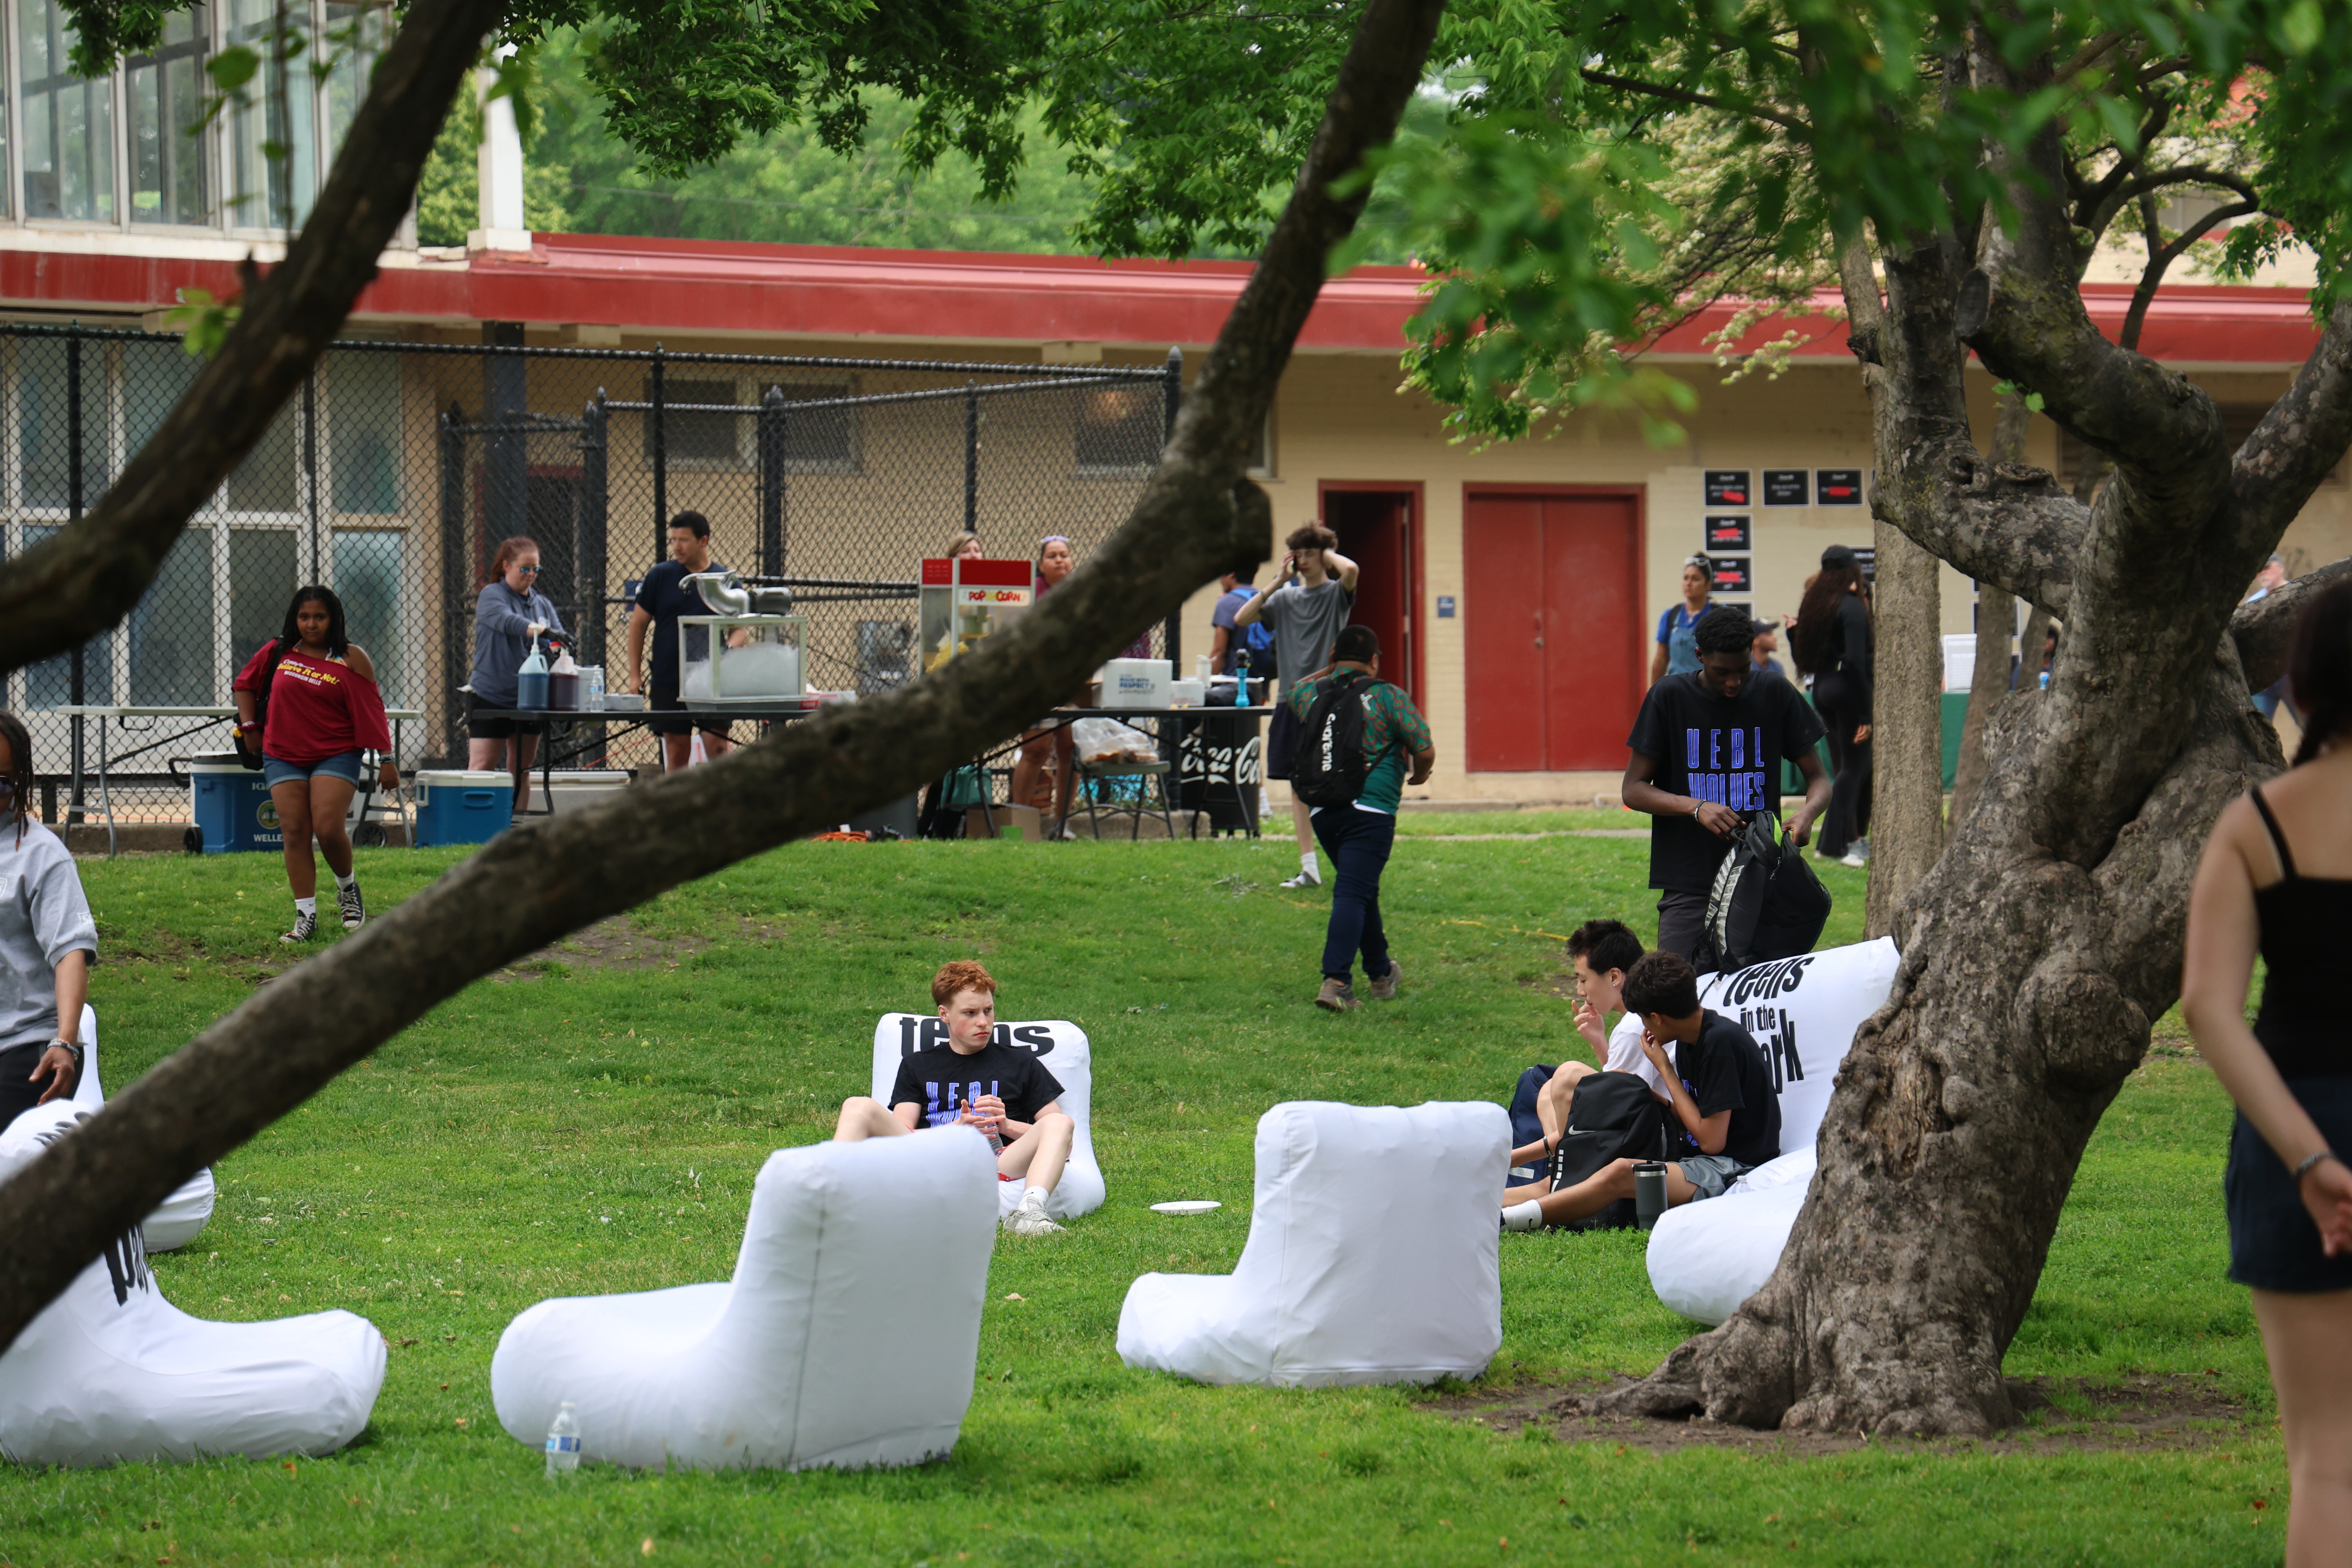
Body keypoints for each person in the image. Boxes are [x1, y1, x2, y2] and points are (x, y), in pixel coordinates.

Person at [2182, 575, 2352, 1566]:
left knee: (2327, 1463)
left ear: (2302, 680)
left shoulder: (2257, 820)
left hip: (2298, 1139)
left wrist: (2311, 1160)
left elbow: (2210, 1007)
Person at [1503, 951, 1780, 1229]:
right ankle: (1477, 1205)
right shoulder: (1690, 1037)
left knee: (1622, 1172)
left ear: (1657, 1018)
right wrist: (1650, 1095)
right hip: (1694, 1157)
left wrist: (1665, 1071)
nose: (1644, 1028)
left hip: (1731, 1167)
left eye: (1644, 1020)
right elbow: (1693, 1121)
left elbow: (1712, 1142)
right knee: (1579, 1173)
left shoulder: (1719, 1044)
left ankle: (1510, 1221)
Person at [1624, 605, 1829, 969]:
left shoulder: (1774, 692)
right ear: (1700, 656)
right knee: (1677, 994)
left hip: (1759, 878)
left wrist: (1808, 814)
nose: (1734, 682)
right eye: (1722, 673)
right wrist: (1697, 807)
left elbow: (1819, 780)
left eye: (1742, 670)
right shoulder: (1669, 697)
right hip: (1690, 882)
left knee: (1759, 997)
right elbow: (1634, 789)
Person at [833, 960, 1078, 1237]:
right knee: (857, 1106)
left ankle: (1029, 1213)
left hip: (999, 1159)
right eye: (970, 1013)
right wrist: (955, 1130)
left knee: (1061, 1122)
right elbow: (901, 1137)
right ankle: (830, 1203)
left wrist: (1006, 1125)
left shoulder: (1020, 1062)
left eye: (988, 1010)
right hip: (933, 1156)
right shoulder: (918, 1065)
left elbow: (1062, 1141)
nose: (983, 1022)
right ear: (945, 1014)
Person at [232, 587, 397, 943]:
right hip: (282, 753)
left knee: (326, 828)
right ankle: (305, 916)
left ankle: (347, 888)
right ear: (295, 618)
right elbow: (244, 686)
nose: (311, 624)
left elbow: (373, 710)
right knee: (293, 830)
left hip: (336, 752)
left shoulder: (351, 658)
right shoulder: (279, 652)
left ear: (333, 619)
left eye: (319, 617)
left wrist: (387, 760)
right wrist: (249, 729)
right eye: (304, 617)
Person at [1285, 624, 1432, 1011]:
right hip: (1371, 811)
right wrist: (1418, 774)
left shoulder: (1310, 694)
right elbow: (1424, 745)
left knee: (1361, 889)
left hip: (1323, 811)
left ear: (1333, 658)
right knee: (1353, 892)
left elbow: (1295, 687)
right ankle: (1335, 981)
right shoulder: (1388, 697)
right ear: (1375, 661)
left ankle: (1382, 974)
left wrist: (1331, 669)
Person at [1232, 523, 1359, 889]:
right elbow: (1242, 618)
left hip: (1329, 699)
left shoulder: (1337, 595)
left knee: (1332, 783)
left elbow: (1350, 571)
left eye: (1309, 554)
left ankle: (1346, 860)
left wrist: (1325, 549)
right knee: (1298, 785)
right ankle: (1309, 868)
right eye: (1298, 555)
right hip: (1292, 701)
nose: (1303, 561)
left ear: (1322, 556)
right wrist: (1277, 581)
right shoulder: (1285, 600)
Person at [1504, 920, 1671, 1180]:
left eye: (1583, 979)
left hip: (1657, 1144)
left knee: (1568, 1076)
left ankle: (1565, 1169)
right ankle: (1560, 1162)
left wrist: (1511, 1158)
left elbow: (1629, 1108)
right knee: (1547, 1091)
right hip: (1652, 1127)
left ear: (1614, 976)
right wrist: (1599, 1042)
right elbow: (1623, 1089)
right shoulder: (1640, 1017)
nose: (1580, 991)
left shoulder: (1633, 1026)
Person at [0, 713, 96, 1130]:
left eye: (1, 783)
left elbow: (71, 951)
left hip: (26, 1047)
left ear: (19, 783)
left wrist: (66, 1040)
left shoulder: (41, 855)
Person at [626, 512, 734, 773]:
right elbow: (638, 624)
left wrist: (726, 654)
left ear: (703, 541)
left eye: (684, 540)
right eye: (673, 540)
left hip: (711, 680)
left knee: (719, 749)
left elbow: (740, 627)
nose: (677, 547)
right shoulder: (660, 576)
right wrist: (635, 676)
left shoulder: (723, 579)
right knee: (676, 752)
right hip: (668, 676)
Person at [467, 536, 565, 816]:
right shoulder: (492, 596)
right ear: (507, 566)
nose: (531, 575)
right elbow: (509, 622)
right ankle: (474, 827)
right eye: (525, 568)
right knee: (482, 765)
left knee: (521, 768)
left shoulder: (541, 604)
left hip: (529, 700)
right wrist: (542, 632)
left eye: (536, 569)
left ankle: (515, 826)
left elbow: (557, 638)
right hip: (491, 696)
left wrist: (558, 645)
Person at [1791, 546, 1874, 867]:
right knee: (1855, 767)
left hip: (1822, 688)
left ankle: (1856, 840)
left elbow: (1802, 658)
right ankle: (1834, 843)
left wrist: (1790, 635)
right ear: (1852, 572)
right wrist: (1867, 715)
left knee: (1847, 768)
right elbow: (1854, 661)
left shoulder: (1815, 604)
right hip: (1846, 691)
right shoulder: (1851, 607)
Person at [1009, 537, 1082, 825]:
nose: (1060, 560)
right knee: (1036, 750)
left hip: (1074, 682)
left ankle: (1061, 823)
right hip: (1036, 684)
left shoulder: (1080, 594)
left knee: (1070, 748)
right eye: (1052, 556)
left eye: (1064, 555)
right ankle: (1019, 823)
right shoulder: (1029, 594)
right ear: (1041, 565)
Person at [1650, 555, 1713, 682]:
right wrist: (1653, 694)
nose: (1689, 584)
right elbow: (1661, 659)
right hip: (1677, 690)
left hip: (1708, 692)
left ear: (1708, 585)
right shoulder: (1670, 616)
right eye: (1686, 578)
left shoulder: (1719, 616)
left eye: (1695, 579)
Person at [2246, 555, 2291, 718]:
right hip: (2264, 678)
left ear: (2281, 567)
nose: (2263, 574)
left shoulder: (2299, 593)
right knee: (2258, 726)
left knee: (2310, 724)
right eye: (2259, 571)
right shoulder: (2253, 602)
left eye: (2267, 568)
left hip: (2292, 673)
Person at [1207, 572, 1256, 675]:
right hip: (1261, 683)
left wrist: (1207, 684)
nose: (1220, 579)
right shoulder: (1261, 598)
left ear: (1232, 574)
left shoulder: (1227, 602)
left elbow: (1219, 652)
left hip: (1235, 683)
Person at [1750, 618, 1788, 682]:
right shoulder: (1747, 668)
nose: (1775, 638)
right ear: (1756, 640)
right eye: (1769, 634)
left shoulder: (1777, 667)